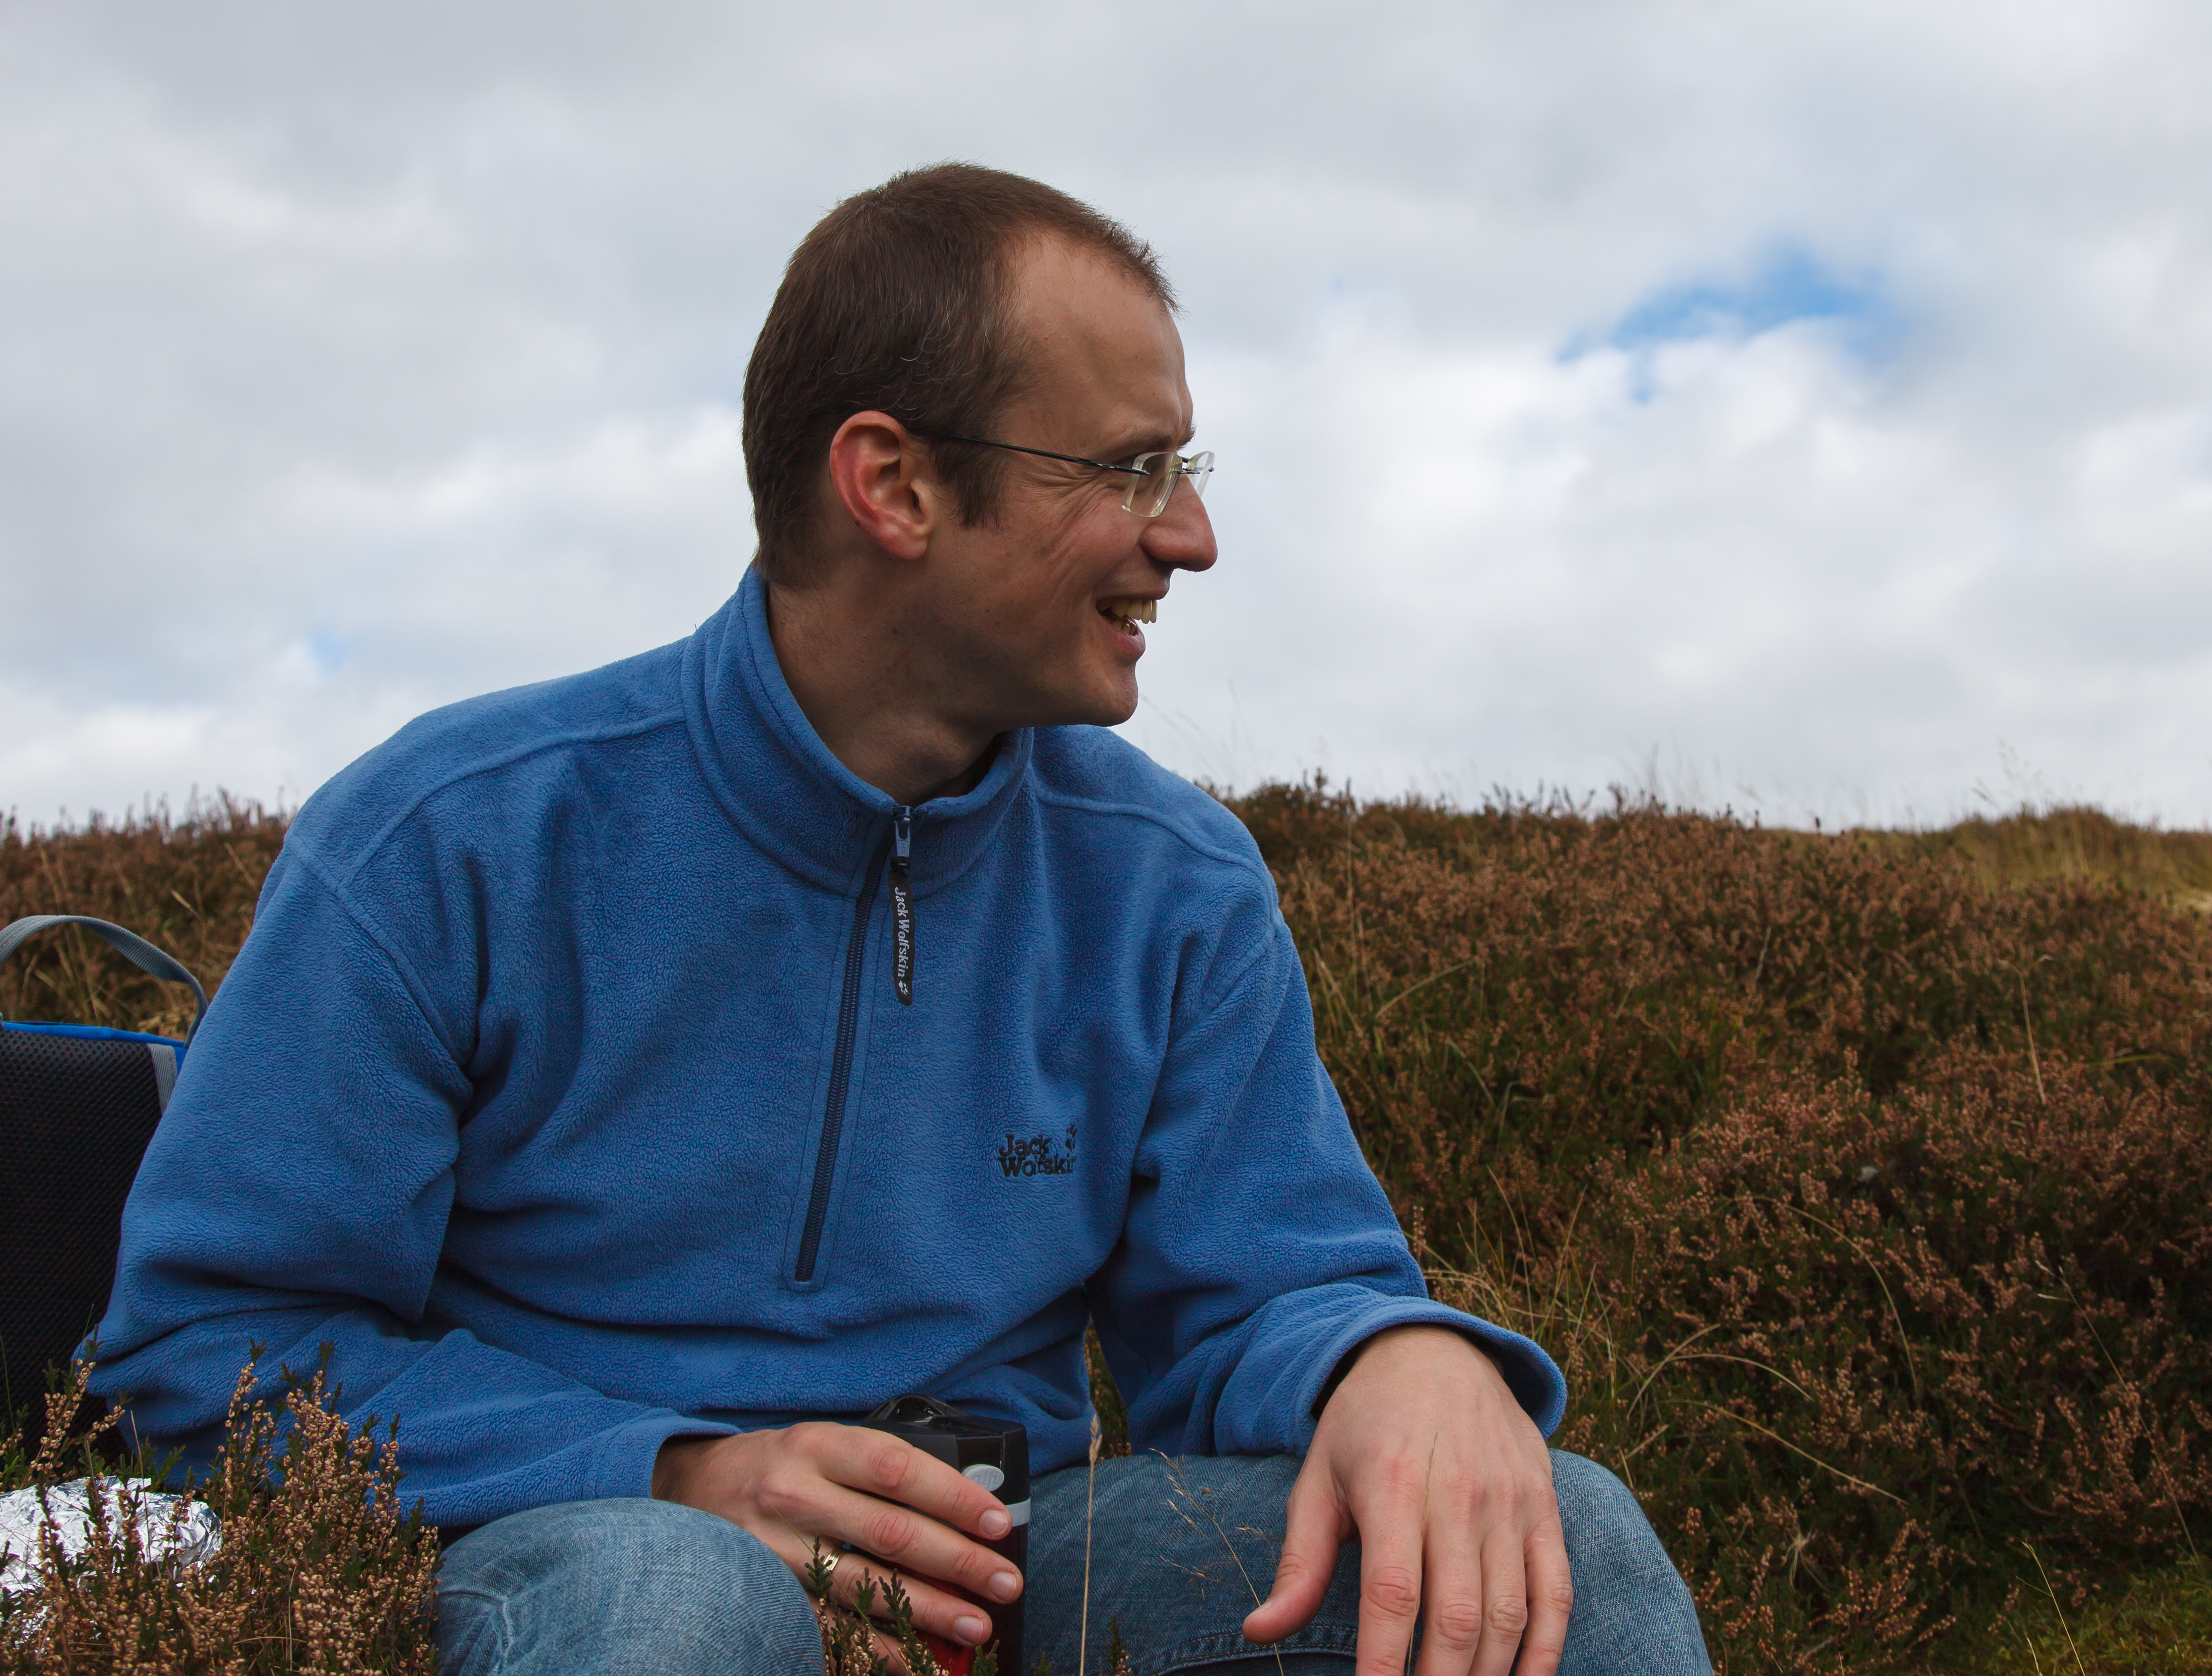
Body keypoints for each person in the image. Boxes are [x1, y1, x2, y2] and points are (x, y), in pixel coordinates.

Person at [90, 164, 1711, 1676]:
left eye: (1186, 470)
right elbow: (210, 1342)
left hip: (1011, 1570)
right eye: (1133, 469)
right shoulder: (451, 839)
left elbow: (1265, 1293)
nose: (1191, 537)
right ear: (894, 485)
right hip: (545, 1554)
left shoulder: (1175, 884)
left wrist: (1389, 1358)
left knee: (1577, 1543)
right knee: (683, 1601)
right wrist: (673, 1472)